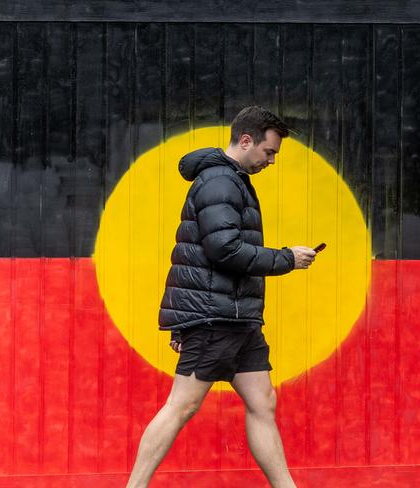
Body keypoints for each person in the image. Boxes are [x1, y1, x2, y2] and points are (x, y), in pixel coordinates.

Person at [125, 106, 317, 488]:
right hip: (216, 316)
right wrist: (286, 259)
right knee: (183, 406)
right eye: (269, 152)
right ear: (246, 141)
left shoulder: (233, 181)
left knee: (262, 402)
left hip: (238, 317)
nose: (271, 161)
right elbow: (223, 249)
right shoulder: (220, 182)